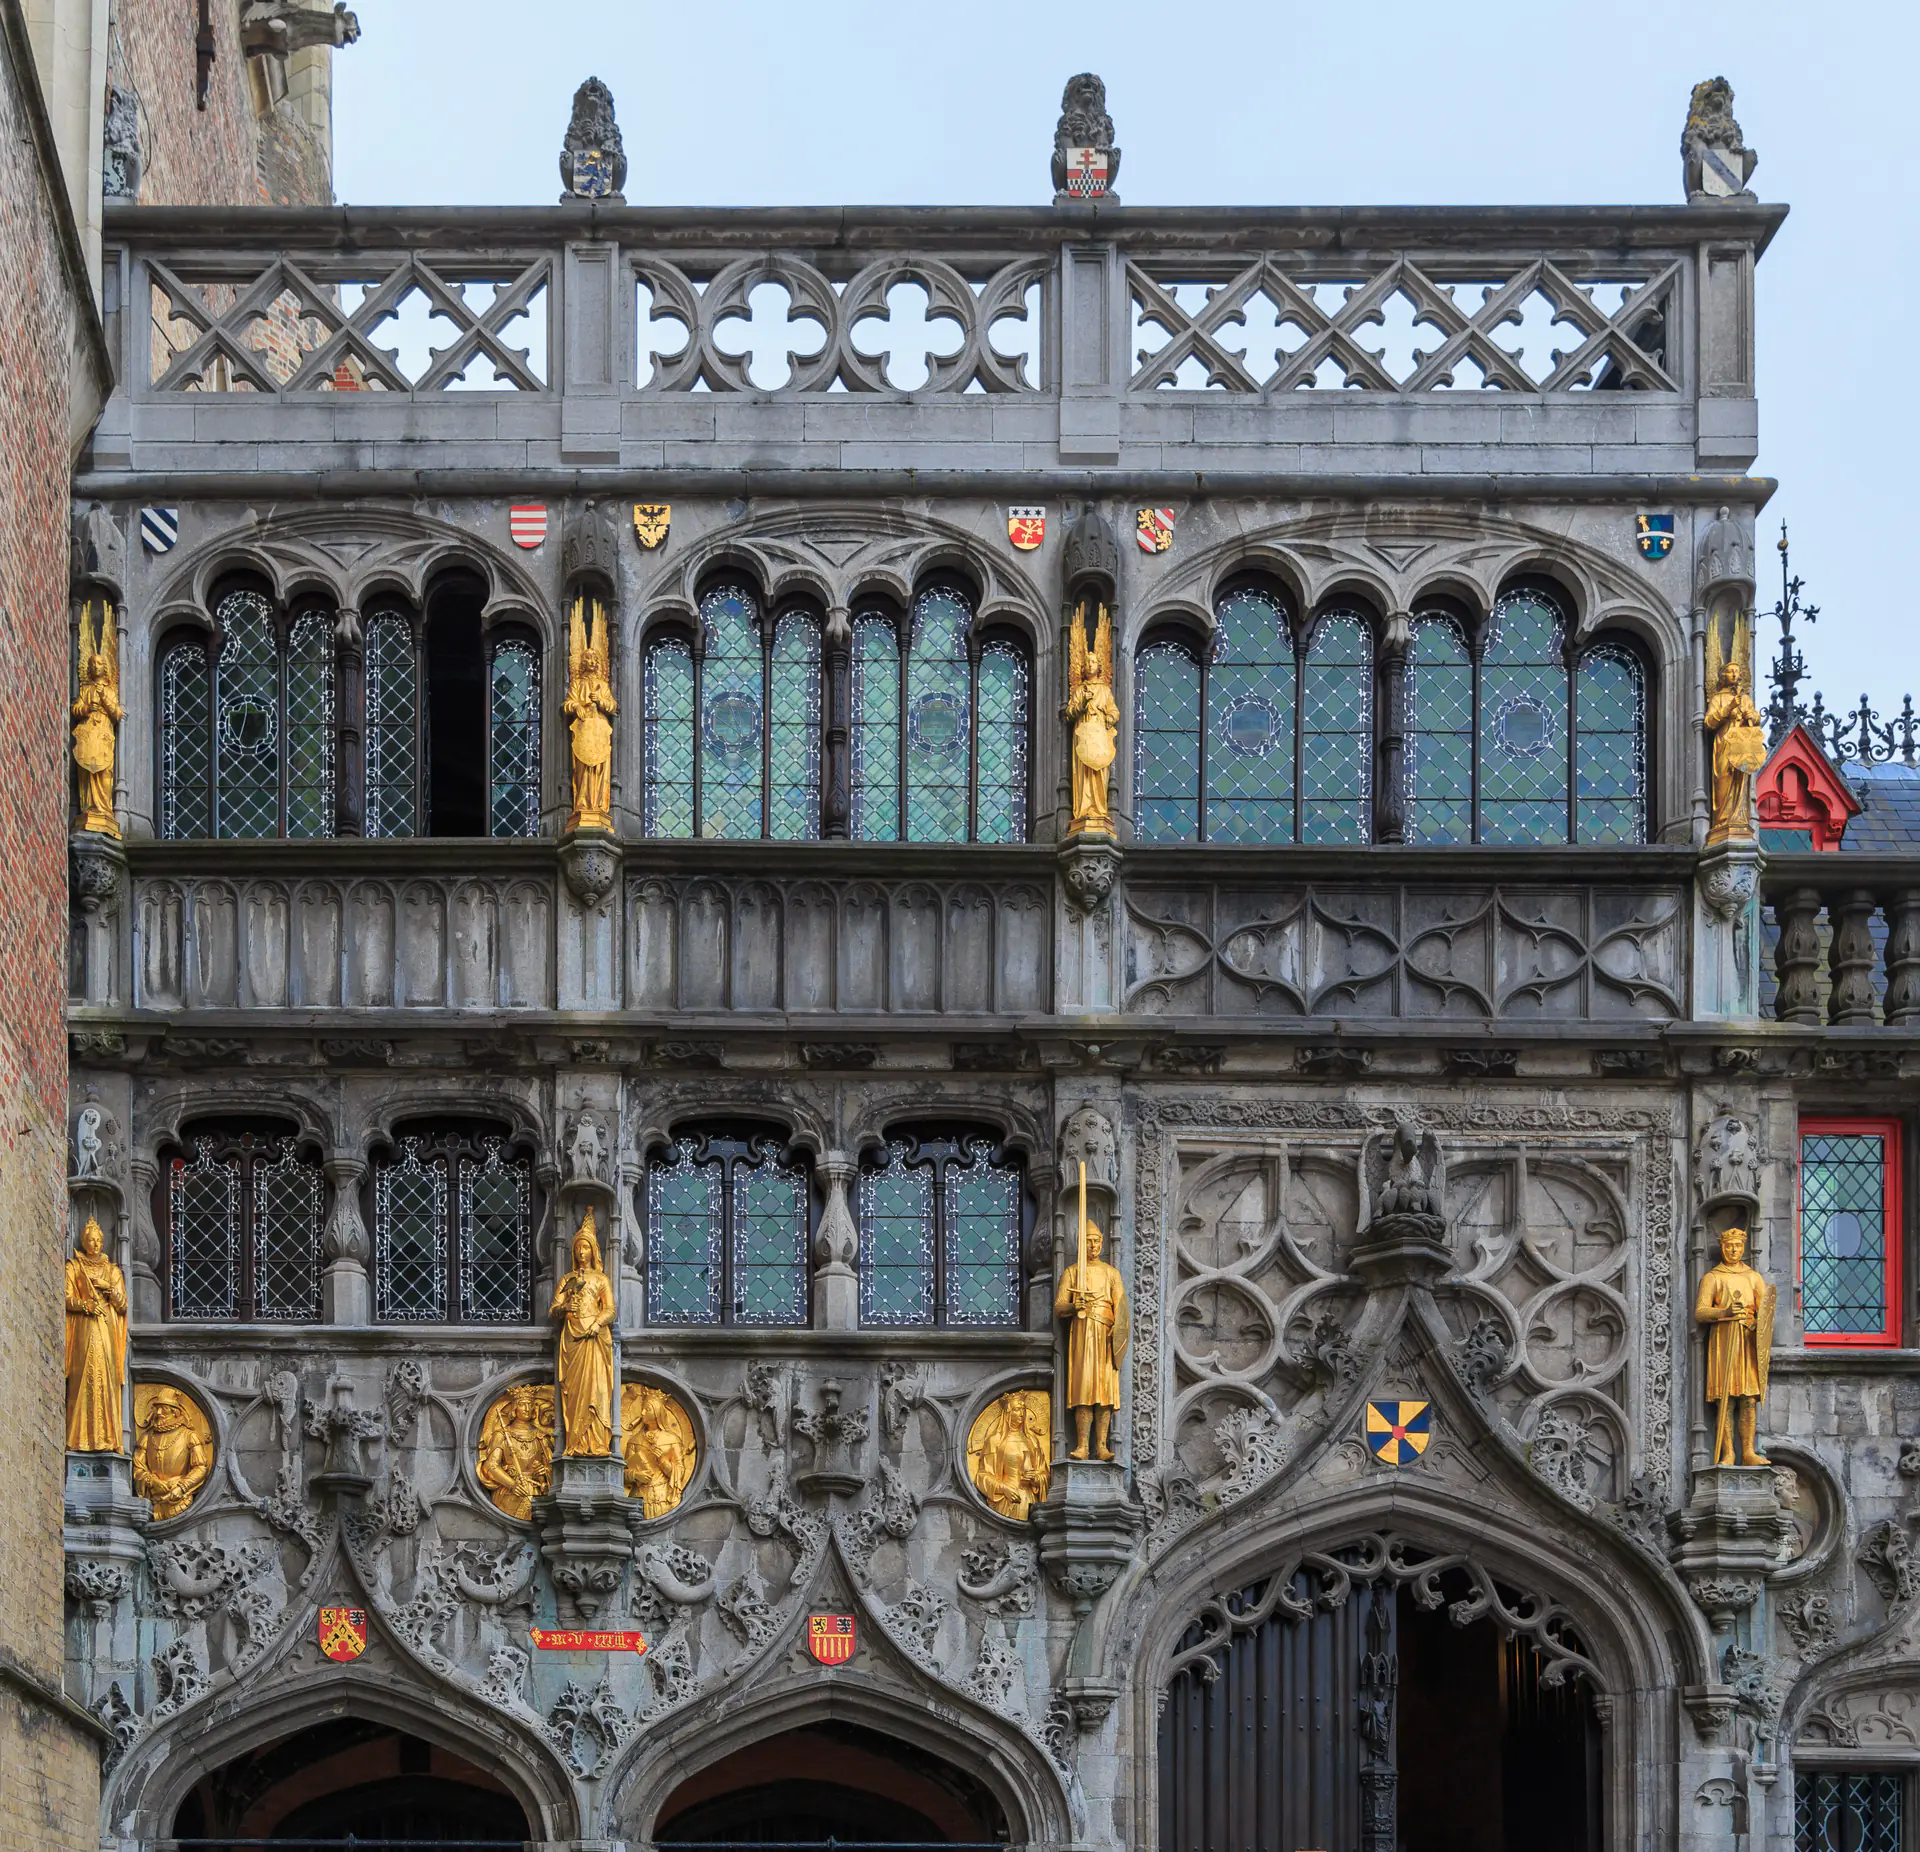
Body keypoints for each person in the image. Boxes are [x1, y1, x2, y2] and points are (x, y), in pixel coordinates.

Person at [1695, 1225, 1775, 1466]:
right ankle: (1728, 1452)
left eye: (1738, 1246)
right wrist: (1725, 1312)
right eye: (1729, 1246)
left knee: (1748, 1399)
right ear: (1722, 1247)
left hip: (1748, 1344)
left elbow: (1767, 1311)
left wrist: (1754, 1322)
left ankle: (1748, 1451)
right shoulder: (1713, 1277)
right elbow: (1700, 1312)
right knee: (1726, 1399)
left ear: (1744, 1248)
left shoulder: (1753, 1277)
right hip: (1723, 1341)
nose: (1733, 1250)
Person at [1055, 1221, 1130, 1462]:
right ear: (1081, 1244)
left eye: (1096, 1241)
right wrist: (1073, 1306)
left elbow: (1122, 1309)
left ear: (1102, 1243)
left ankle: (1101, 1446)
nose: (1093, 1245)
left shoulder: (1111, 1273)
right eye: (1088, 1241)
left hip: (1105, 1337)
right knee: (1084, 1390)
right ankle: (1082, 1446)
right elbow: (1058, 1307)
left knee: (1105, 1392)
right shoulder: (1072, 1272)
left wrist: (1116, 1332)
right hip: (1082, 1337)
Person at [551, 1211, 617, 1456]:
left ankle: (598, 1443)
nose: (581, 1252)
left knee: (597, 1390)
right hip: (572, 1339)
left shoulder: (600, 1279)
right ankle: (575, 1442)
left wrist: (597, 1323)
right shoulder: (567, 1279)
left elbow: (610, 1309)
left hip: (595, 1339)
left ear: (593, 1251)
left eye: (585, 1248)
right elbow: (553, 1309)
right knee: (575, 1393)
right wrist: (565, 1307)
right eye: (578, 1248)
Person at [65, 1216, 128, 1453]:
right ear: (84, 1241)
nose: (96, 1245)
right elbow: (66, 1297)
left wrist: (108, 1288)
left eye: (99, 1241)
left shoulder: (112, 1270)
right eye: (91, 1240)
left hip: (106, 1328)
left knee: (107, 1379)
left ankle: (108, 1438)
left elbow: (122, 1305)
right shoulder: (73, 1266)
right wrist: (84, 1306)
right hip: (84, 1326)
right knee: (82, 1378)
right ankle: (78, 1437)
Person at [131, 1388, 212, 1519]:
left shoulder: (189, 1436)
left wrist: (182, 1487)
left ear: (175, 1412)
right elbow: (138, 1467)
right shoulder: (146, 1437)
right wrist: (151, 1481)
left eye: (164, 1408)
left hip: (179, 1502)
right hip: (152, 1503)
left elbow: (200, 1467)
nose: (158, 1413)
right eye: (156, 1408)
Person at [970, 1389, 1051, 1519]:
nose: (1021, 1413)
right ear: (1008, 1413)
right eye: (1017, 1409)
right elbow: (982, 1476)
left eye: (1023, 1409)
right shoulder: (995, 1440)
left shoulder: (1032, 1441)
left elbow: (1045, 1474)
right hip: (1007, 1500)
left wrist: (1036, 1478)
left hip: (1030, 1501)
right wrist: (1003, 1488)